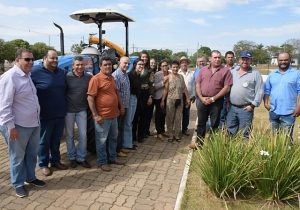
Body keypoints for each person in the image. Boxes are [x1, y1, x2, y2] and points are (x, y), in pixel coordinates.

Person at [0, 49, 46, 198]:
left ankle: (30, 177)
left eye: (32, 59)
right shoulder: (10, 77)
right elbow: (4, 106)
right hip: (18, 126)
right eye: (27, 59)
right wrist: (10, 127)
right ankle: (18, 184)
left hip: (33, 123)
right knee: (17, 157)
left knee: (32, 154)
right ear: (17, 60)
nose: (31, 62)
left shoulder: (27, 75)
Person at [31, 49, 68, 176]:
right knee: (44, 141)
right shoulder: (34, 72)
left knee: (56, 140)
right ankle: (43, 164)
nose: (55, 60)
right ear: (44, 58)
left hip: (60, 113)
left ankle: (55, 161)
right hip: (44, 115)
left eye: (56, 58)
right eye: (52, 58)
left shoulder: (61, 72)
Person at [87, 56, 126, 172]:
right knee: (101, 141)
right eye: (105, 65)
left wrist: (121, 106)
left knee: (113, 138)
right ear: (100, 66)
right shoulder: (96, 79)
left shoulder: (111, 78)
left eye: (109, 64)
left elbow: (116, 93)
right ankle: (102, 162)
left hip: (114, 115)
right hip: (102, 117)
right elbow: (90, 98)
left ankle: (112, 157)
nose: (108, 66)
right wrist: (96, 115)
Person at [191, 50, 232, 148]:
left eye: (219, 57)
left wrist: (213, 99)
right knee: (201, 123)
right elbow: (198, 84)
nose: (217, 59)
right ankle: (198, 144)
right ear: (210, 58)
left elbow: (226, 88)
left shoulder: (225, 71)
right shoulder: (203, 70)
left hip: (216, 102)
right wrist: (201, 98)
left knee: (214, 124)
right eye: (215, 57)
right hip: (202, 101)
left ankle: (212, 146)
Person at [226, 50, 264, 139]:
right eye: (243, 59)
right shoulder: (233, 72)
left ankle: (243, 152)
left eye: (247, 59)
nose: (245, 61)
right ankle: (230, 150)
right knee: (230, 130)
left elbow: (260, 91)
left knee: (245, 133)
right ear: (239, 60)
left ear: (251, 61)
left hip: (246, 109)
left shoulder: (255, 74)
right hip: (232, 107)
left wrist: (253, 105)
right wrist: (227, 100)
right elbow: (228, 87)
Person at [264, 52, 300, 141]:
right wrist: (265, 103)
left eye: (285, 60)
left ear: (290, 60)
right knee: (274, 138)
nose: (283, 62)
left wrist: (299, 107)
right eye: (281, 60)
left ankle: (287, 155)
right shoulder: (272, 74)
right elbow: (267, 90)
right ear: (277, 61)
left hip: (289, 112)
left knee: (286, 139)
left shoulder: (296, 74)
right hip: (274, 111)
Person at [65, 56, 92, 168]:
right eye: (77, 64)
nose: (80, 67)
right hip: (69, 111)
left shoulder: (88, 77)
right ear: (73, 66)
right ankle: (72, 157)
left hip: (82, 110)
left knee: (83, 135)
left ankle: (81, 157)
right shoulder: (66, 77)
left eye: (82, 64)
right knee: (70, 135)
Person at [161, 60, 190, 142]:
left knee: (178, 118)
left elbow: (184, 88)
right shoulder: (168, 77)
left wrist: (187, 98)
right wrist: (162, 100)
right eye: (173, 67)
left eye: (177, 67)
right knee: (170, 118)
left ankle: (177, 135)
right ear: (171, 67)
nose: (175, 69)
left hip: (180, 100)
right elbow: (165, 90)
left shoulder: (181, 76)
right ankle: (170, 135)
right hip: (170, 100)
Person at [112, 57, 132, 157]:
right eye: (125, 63)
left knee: (121, 127)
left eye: (128, 63)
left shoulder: (125, 74)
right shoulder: (116, 76)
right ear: (120, 62)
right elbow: (116, 94)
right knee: (118, 128)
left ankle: (120, 147)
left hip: (126, 105)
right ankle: (117, 149)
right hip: (120, 107)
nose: (127, 65)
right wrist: (121, 107)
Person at [132, 50, 154, 142]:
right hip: (136, 93)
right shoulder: (136, 69)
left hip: (145, 93)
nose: (144, 58)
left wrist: (150, 96)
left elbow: (152, 85)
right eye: (142, 57)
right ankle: (133, 137)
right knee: (134, 116)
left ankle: (141, 135)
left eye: (146, 57)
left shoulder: (149, 70)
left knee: (143, 115)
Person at [219, 51, 239, 128]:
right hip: (223, 96)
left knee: (232, 116)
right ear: (225, 58)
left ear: (234, 58)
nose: (230, 59)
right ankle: (221, 133)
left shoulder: (238, 69)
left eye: (232, 57)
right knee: (222, 115)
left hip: (234, 96)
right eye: (228, 57)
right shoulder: (222, 69)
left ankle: (231, 133)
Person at [127, 59, 143, 146]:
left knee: (131, 121)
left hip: (135, 98)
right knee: (128, 122)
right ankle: (127, 143)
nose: (141, 66)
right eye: (139, 64)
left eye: (142, 64)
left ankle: (129, 142)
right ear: (135, 65)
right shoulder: (130, 75)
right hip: (130, 99)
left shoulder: (138, 75)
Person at [179, 56, 196, 136]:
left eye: (185, 62)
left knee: (186, 113)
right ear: (180, 64)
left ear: (187, 64)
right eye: (182, 62)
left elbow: (193, 85)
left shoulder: (191, 74)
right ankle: (177, 129)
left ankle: (184, 129)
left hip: (188, 97)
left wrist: (193, 95)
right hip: (178, 96)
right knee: (178, 113)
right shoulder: (177, 72)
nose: (184, 64)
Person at [153, 60, 170, 140]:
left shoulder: (170, 73)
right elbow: (155, 87)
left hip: (167, 97)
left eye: (166, 65)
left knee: (164, 114)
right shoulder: (157, 74)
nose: (165, 67)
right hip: (158, 97)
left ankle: (162, 130)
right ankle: (158, 132)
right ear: (160, 67)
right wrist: (163, 82)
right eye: (163, 65)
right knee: (158, 114)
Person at [145, 58, 157, 136]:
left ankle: (147, 130)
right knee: (145, 115)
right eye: (151, 63)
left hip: (152, 96)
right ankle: (144, 131)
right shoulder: (147, 72)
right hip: (147, 95)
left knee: (149, 114)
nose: (153, 64)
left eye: (154, 63)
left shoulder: (155, 72)